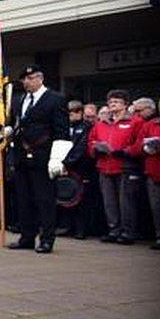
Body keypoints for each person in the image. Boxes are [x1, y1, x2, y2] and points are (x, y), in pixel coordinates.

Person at [6, 65, 68, 254]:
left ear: (40, 78)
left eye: (30, 78)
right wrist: (8, 131)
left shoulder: (55, 99)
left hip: (43, 155)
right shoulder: (18, 100)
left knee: (45, 200)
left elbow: (61, 130)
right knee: (23, 199)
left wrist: (57, 157)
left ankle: (47, 239)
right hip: (21, 155)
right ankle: (27, 236)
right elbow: (17, 123)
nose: (26, 82)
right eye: (24, 79)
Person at [88, 89, 143, 245]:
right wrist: (95, 149)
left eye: (117, 101)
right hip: (104, 166)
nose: (113, 104)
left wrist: (125, 152)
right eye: (110, 102)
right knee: (109, 202)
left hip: (125, 166)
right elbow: (91, 141)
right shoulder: (100, 124)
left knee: (126, 202)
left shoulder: (135, 121)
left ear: (125, 104)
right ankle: (114, 230)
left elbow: (140, 143)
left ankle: (128, 232)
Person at [127, 92, 160, 250]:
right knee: (158, 209)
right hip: (154, 173)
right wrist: (145, 148)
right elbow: (137, 147)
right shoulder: (151, 125)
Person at [60, 100, 98, 239]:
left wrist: (68, 162)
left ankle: (81, 229)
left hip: (81, 168)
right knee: (67, 197)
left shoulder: (86, 127)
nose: (71, 115)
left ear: (81, 113)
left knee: (81, 200)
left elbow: (81, 149)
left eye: (75, 112)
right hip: (65, 168)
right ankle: (68, 226)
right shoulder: (64, 127)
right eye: (69, 112)